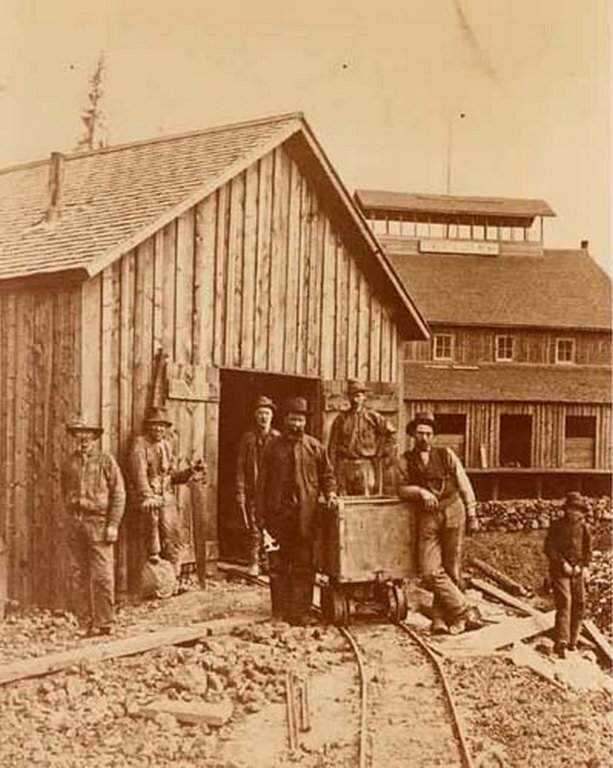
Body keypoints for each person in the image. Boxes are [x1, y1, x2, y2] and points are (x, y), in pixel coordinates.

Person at [257, 397, 338, 625]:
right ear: (285, 420)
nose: (296, 424)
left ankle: (301, 612)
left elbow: (328, 476)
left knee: (304, 565)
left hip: (306, 517)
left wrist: (330, 493)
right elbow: (261, 482)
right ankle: (280, 611)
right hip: (278, 517)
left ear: (305, 422)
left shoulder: (314, 447)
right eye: (293, 419)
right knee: (278, 565)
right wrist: (260, 515)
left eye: (300, 420)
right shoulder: (272, 447)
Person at [397, 411, 478, 635]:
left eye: (428, 434)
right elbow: (400, 489)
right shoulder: (405, 460)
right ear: (413, 435)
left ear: (433, 436)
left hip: (453, 510)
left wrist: (472, 513)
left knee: (452, 568)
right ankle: (462, 609)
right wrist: (420, 491)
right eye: (420, 433)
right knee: (430, 570)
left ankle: (442, 619)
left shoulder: (446, 454)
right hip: (427, 517)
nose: (424, 438)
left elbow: (463, 482)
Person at [61, 417, 126, 636]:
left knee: (102, 575)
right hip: (76, 524)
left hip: (99, 523)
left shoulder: (106, 461)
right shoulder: (69, 462)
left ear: (95, 437)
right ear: (75, 438)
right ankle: (85, 623)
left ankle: (105, 622)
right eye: (79, 435)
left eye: (88, 434)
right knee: (78, 573)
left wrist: (113, 524)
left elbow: (119, 494)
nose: (84, 439)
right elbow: (64, 491)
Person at [129, 406, 204, 579]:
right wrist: (147, 496)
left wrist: (190, 471)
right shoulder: (140, 445)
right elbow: (138, 474)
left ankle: (173, 578)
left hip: (166, 497)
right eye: (154, 425)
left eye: (161, 426)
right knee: (151, 540)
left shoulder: (166, 445)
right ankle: (153, 580)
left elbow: (171, 475)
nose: (158, 429)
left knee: (174, 536)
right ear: (148, 427)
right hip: (148, 498)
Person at [235, 396, 281, 576]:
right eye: (260, 413)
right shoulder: (248, 439)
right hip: (254, 490)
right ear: (255, 416)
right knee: (254, 527)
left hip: (273, 491)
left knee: (272, 526)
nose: (263, 417)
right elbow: (240, 467)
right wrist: (240, 490)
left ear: (272, 416)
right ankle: (254, 561)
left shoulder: (278, 438)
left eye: (267, 414)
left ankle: (269, 561)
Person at [544, 491, 592, 659]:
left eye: (578, 510)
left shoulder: (584, 528)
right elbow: (549, 548)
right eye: (572, 509)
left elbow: (587, 552)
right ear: (566, 510)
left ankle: (573, 640)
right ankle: (561, 642)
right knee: (565, 601)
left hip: (577, 571)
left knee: (580, 603)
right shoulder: (557, 526)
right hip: (560, 571)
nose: (574, 513)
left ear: (581, 512)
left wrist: (582, 566)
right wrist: (562, 563)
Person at [328, 379, 396, 496]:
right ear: (348, 398)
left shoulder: (373, 417)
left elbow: (391, 433)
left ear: (364, 397)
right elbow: (332, 446)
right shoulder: (341, 419)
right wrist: (332, 469)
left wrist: (381, 451)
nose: (356, 400)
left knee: (366, 499)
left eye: (359, 396)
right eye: (353, 396)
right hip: (344, 466)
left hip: (366, 465)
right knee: (344, 499)